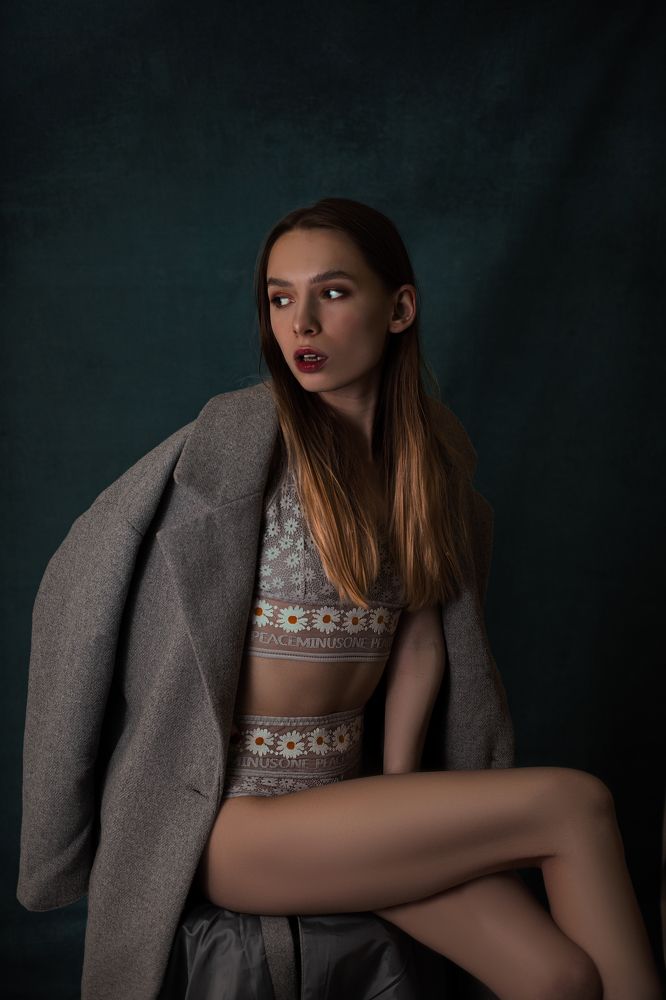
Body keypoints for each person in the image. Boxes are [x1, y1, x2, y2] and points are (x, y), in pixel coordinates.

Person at [17, 196, 662, 1000]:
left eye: (332, 292)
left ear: (399, 310)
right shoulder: (235, 454)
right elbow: (82, 593)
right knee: (577, 804)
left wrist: (401, 792)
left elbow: (420, 641)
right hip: (232, 822)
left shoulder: (424, 463)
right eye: (280, 298)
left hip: (347, 806)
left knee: (556, 975)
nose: (302, 323)